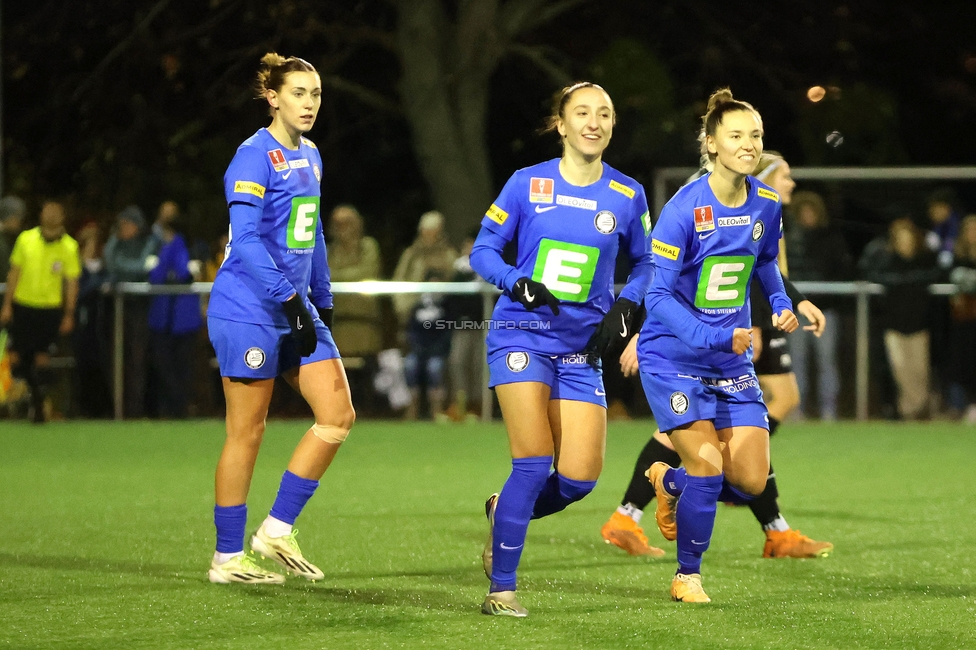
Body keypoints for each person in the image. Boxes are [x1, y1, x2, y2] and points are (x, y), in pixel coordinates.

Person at [470, 82, 653, 617]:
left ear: (612, 125)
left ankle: (504, 512)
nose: (593, 122)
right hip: (521, 335)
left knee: (577, 479)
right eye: (582, 113)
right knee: (532, 462)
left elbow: (647, 263)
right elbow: (482, 249)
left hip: (582, 349)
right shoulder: (526, 184)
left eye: (604, 113)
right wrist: (513, 281)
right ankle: (501, 589)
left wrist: (627, 306)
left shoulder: (628, 194)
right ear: (562, 124)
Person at [601, 151, 834, 562]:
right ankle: (637, 518)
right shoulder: (697, 205)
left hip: (740, 330)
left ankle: (641, 508)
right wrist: (644, 330)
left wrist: (793, 303)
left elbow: (762, 272)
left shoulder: (762, 206)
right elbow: (670, 275)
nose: (792, 182)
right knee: (718, 432)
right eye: (785, 175)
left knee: (744, 443)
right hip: (726, 335)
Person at [631, 88, 799, 603]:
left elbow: (766, 260)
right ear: (712, 144)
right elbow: (655, 294)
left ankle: (668, 482)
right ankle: (688, 576)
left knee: (749, 478)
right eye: (737, 136)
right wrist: (713, 335)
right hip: (674, 357)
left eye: (755, 136)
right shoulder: (683, 209)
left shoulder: (765, 203)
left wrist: (779, 302)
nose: (749, 145)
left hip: (729, 359)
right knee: (707, 466)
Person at [205, 53, 355, 585]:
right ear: (272, 97)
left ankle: (275, 529)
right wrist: (290, 300)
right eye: (298, 93)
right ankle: (226, 559)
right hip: (248, 310)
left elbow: (309, 232)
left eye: (315, 93)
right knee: (247, 431)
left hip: (294, 303)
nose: (309, 103)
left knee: (337, 413)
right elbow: (242, 242)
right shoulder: (252, 157)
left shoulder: (311, 154)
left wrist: (321, 296)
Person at [0, 200, 80, 422]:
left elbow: (71, 282)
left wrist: (69, 313)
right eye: (48, 210)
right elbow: (14, 273)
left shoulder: (69, 247)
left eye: (56, 211)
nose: (51, 215)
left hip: (49, 309)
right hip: (24, 306)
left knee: (41, 357)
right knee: (16, 356)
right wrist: (7, 304)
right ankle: (23, 401)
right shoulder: (26, 240)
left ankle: (39, 404)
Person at [860, 216, 940, 420]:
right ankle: (910, 412)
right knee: (900, 371)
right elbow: (871, 274)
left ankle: (918, 409)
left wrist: (909, 282)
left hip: (919, 324)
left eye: (908, 239)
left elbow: (937, 273)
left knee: (920, 372)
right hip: (893, 325)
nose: (905, 244)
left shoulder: (925, 260)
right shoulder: (887, 261)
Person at [784, 190, 852, 420]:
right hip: (795, 311)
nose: (807, 216)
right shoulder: (787, 239)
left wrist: (826, 299)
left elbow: (842, 271)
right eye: (802, 212)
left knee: (827, 362)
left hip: (824, 310)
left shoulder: (830, 240)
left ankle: (828, 412)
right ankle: (797, 412)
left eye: (811, 211)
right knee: (796, 363)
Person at [146, 203, 204, 418]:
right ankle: (171, 409)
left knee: (183, 368)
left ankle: (181, 409)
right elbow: (157, 277)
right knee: (165, 367)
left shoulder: (189, 247)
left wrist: (173, 247)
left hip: (183, 320)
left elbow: (182, 274)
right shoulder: (162, 247)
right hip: (164, 319)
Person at [326, 204, 383, 411]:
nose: (343, 228)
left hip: (364, 324)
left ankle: (369, 411)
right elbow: (323, 275)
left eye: (347, 223)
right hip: (338, 324)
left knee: (366, 374)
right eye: (338, 224)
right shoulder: (329, 250)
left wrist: (338, 278)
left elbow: (368, 272)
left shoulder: (368, 246)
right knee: (337, 374)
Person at [103, 205, 155, 418]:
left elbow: (143, 268)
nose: (123, 228)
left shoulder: (149, 241)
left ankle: (135, 409)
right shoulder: (117, 242)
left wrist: (125, 270)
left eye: (127, 224)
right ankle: (115, 407)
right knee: (114, 359)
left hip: (139, 308)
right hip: (115, 308)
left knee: (137, 359)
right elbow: (110, 263)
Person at [391, 210, 457, 329]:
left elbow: (455, 280)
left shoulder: (449, 255)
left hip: (444, 313)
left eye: (433, 232)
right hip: (414, 310)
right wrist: (403, 309)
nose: (429, 236)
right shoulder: (411, 255)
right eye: (426, 231)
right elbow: (399, 280)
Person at [445, 229, 485, 422]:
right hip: (461, 325)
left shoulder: (488, 267)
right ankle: (459, 404)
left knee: (479, 366)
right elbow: (452, 299)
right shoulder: (457, 270)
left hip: (483, 325)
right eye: (467, 244)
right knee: (458, 362)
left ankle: (478, 407)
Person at [946, 214, 976, 422]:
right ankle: (960, 407)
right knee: (961, 362)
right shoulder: (956, 255)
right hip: (963, 319)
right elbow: (948, 275)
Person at [0, 196, 27, 281]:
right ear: (11, 217)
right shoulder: (3, 241)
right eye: (18, 218)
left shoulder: (8, 237)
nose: (19, 223)